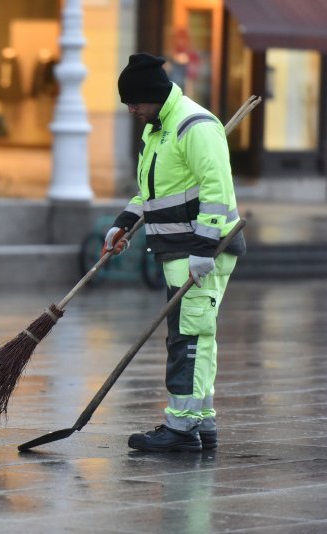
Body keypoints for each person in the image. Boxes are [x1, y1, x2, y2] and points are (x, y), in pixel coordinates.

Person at [104, 53, 246, 452]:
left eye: (134, 102)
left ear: (153, 95)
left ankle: (181, 429)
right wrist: (122, 223)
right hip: (178, 250)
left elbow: (218, 192)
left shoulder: (194, 126)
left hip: (199, 251)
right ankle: (201, 422)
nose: (131, 110)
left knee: (189, 339)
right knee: (195, 336)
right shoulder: (157, 128)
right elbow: (153, 193)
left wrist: (204, 250)